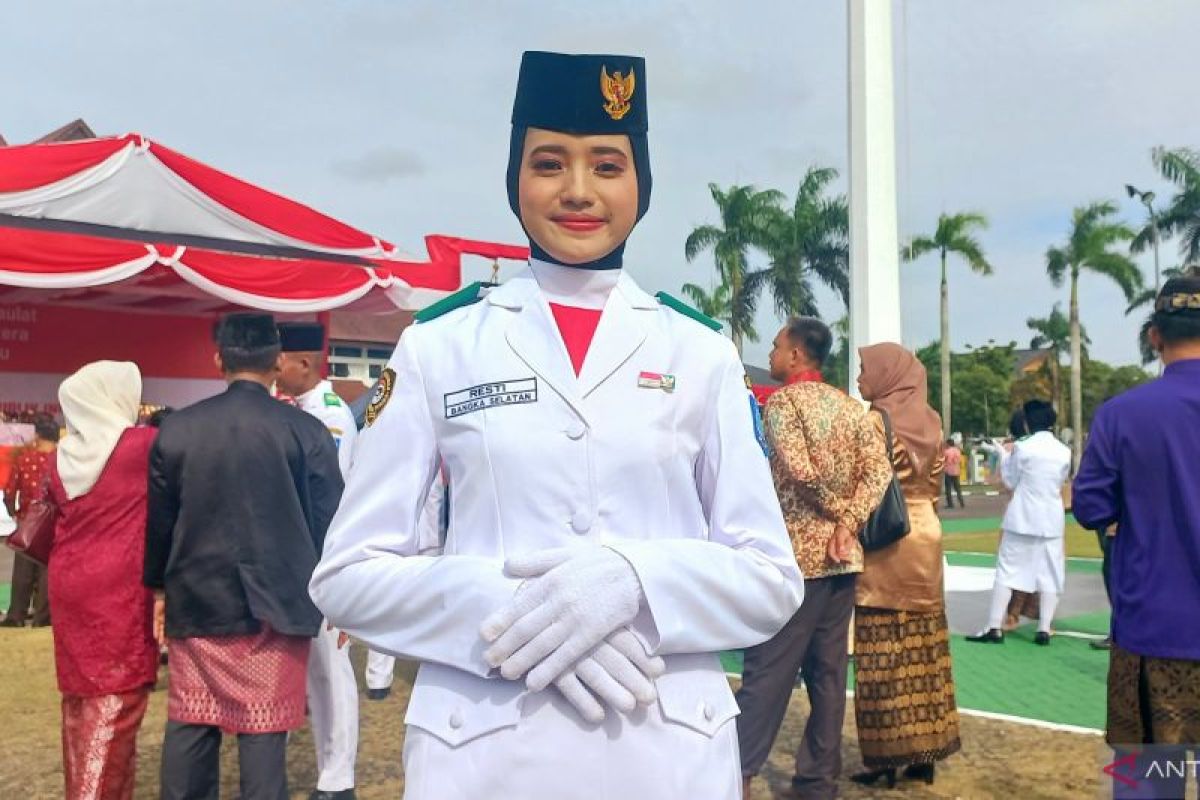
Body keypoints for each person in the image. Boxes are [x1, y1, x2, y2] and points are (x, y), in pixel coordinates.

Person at [309, 51, 804, 800]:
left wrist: (630, 583)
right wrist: (517, 617)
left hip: (667, 754)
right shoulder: (440, 343)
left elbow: (769, 579)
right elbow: (346, 576)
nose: (578, 191)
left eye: (607, 165)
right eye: (549, 163)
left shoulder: (699, 352)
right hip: (482, 752)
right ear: (515, 177)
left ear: (642, 180)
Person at [146, 312, 343, 800]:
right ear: (276, 362)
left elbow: (161, 524)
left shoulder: (177, 430)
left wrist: (157, 587)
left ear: (219, 360)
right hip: (277, 603)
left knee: (191, 724)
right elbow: (331, 523)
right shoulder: (306, 432)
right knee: (263, 735)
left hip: (198, 597)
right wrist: (335, 595)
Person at [735, 318, 892, 800]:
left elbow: (798, 468)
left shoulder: (781, 404)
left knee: (767, 672)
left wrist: (841, 514)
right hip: (842, 562)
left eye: (778, 345)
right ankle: (817, 781)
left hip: (795, 561)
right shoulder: (853, 409)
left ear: (798, 356)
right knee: (827, 677)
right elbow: (879, 472)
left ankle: (736, 772)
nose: (773, 351)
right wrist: (850, 521)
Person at [1073, 273, 1200, 799]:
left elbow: (1090, 505)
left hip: (1152, 631)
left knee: (1150, 782)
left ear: (1154, 337)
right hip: (1156, 628)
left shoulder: (1122, 413)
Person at [45, 362, 159, 799]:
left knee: (79, 706)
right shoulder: (139, 446)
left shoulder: (62, 456)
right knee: (116, 707)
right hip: (118, 587)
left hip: (69, 582)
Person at [852, 342, 961, 788]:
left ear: (887, 375)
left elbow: (863, 484)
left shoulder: (875, 422)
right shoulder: (932, 422)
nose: (860, 379)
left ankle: (884, 760)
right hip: (926, 534)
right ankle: (924, 754)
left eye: (864, 370)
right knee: (925, 648)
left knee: (881, 649)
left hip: (886, 540)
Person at [276, 321, 361, 800]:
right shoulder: (297, 409)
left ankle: (338, 777)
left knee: (331, 670)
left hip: (326, 558)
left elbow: (325, 495)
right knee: (308, 668)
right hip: (300, 557)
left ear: (305, 364)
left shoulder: (329, 416)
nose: (274, 368)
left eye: (280, 361)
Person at [968, 400, 1071, 646]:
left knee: (1007, 571)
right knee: (1050, 574)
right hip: (1051, 519)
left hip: (1023, 517)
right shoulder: (1064, 451)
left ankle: (994, 627)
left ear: (1027, 422)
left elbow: (1012, 482)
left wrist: (1004, 457)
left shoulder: (1024, 448)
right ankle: (1044, 629)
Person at [1, 413, 59, 627]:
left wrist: (15, 514)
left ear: (37, 435)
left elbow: (9, 492)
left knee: (23, 571)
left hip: (28, 521)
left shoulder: (24, 459)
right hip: (53, 523)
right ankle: (42, 619)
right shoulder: (62, 459)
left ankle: (16, 615)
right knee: (47, 570)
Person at [942, 439, 964, 509]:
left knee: (948, 488)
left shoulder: (947, 452)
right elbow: (959, 460)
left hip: (948, 471)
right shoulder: (958, 451)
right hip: (956, 471)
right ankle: (961, 502)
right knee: (957, 488)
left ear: (948, 444)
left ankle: (950, 504)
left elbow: (943, 460)